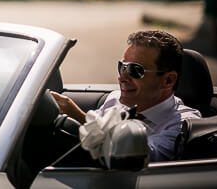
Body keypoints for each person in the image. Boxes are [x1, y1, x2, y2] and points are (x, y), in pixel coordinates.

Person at [50, 30, 201, 162]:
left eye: (135, 70)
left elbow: (136, 156)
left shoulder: (184, 123)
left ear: (168, 80)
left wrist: (76, 114)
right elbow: (88, 137)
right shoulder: (114, 100)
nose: (122, 77)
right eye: (122, 67)